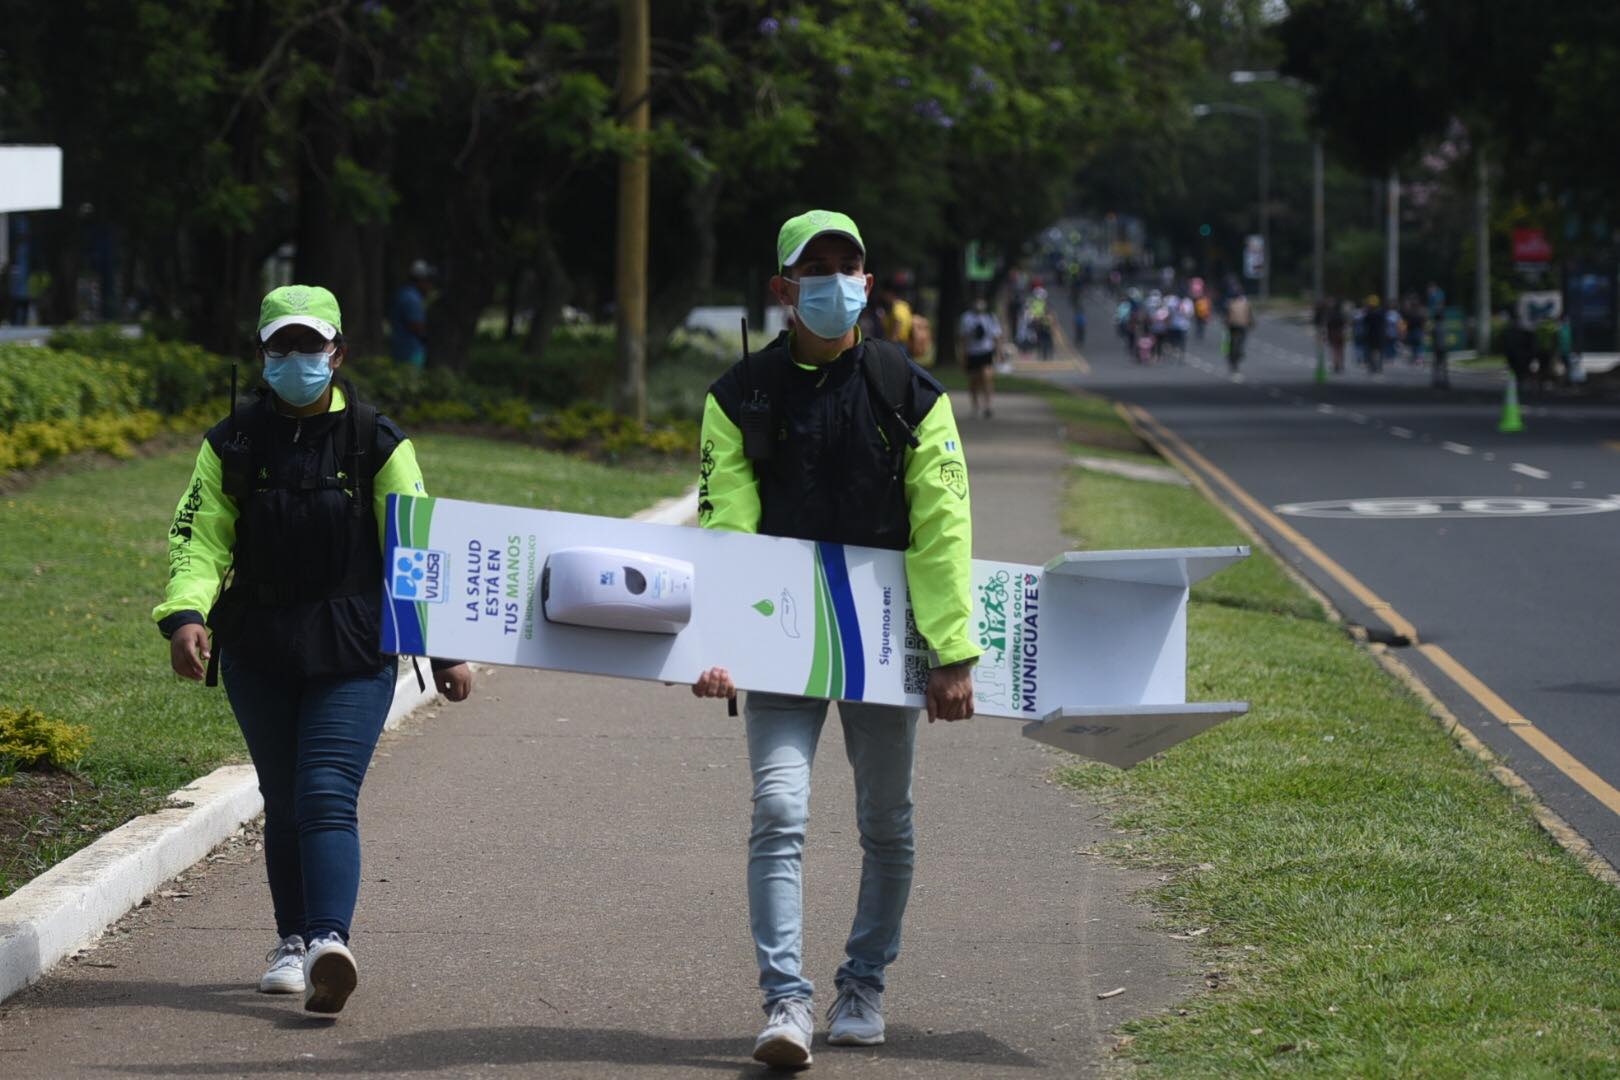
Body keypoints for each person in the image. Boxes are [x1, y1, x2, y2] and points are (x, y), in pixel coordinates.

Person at [691, 209, 978, 1068]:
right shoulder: (738, 397)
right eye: (813, 270)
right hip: (780, 644)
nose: (833, 281)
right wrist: (718, 639)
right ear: (783, 290)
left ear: (868, 279)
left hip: (885, 648)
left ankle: (864, 984)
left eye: (846, 266)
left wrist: (953, 652)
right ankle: (785, 1002)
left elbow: (942, 527)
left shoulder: (910, 394)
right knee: (778, 810)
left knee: (886, 822)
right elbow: (725, 532)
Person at [154, 284, 473, 1015]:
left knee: (326, 790)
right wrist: (185, 615)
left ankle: (329, 940)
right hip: (259, 645)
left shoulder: (377, 440)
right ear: (262, 353)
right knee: (284, 797)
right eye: (282, 346)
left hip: (353, 644)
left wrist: (446, 647)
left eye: (311, 345)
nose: (297, 359)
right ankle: (291, 942)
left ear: (339, 352)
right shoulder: (229, 443)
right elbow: (198, 540)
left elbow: (415, 548)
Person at [959, 297, 1003, 417]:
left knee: (986, 377)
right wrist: (963, 356)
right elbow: (963, 339)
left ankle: (988, 405)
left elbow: (997, 337)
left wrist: (999, 353)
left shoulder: (990, 317)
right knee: (973, 380)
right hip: (972, 353)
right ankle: (975, 406)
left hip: (986, 352)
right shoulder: (966, 318)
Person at [389, 259, 433, 367]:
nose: (430, 285)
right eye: (428, 281)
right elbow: (416, 326)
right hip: (410, 351)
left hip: (400, 348)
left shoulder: (403, 294)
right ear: (421, 281)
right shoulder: (412, 298)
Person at [1223, 290, 1253, 371]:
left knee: (1231, 341)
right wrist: (1251, 323)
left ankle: (1231, 356)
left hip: (1232, 326)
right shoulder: (1246, 304)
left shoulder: (1230, 303)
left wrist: (1226, 323)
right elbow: (1250, 315)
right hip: (1242, 325)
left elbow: (1226, 315)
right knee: (1241, 341)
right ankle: (1239, 353)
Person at [1325, 298, 1348, 374]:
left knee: (1335, 349)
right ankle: (1341, 364)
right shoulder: (1341, 314)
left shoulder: (1331, 314)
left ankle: (1336, 365)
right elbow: (1345, 324)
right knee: (1341, 350)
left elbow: (1328, 325)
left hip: (1333, 333)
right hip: (1340, 333)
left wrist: (1327, 335)